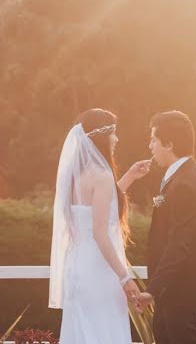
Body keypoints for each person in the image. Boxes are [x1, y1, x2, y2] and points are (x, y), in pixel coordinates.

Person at [49, 108, 152, 343]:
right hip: (99, 271)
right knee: (104, 333)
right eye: (113, 133)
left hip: (77, 268)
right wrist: (125, 278)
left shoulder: (78, 176)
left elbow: (97, 207)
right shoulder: (103, 176)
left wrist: (129, 178)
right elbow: (100, 233)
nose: (116, 139)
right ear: (101, 137)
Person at [134, 110, 196, 344]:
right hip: (173, 287)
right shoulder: (190, 174)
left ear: (170, 144)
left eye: (154, 140)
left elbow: (179, 243)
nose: (151, 146)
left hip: (180, 287)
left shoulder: (185, 183)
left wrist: (152, 289)